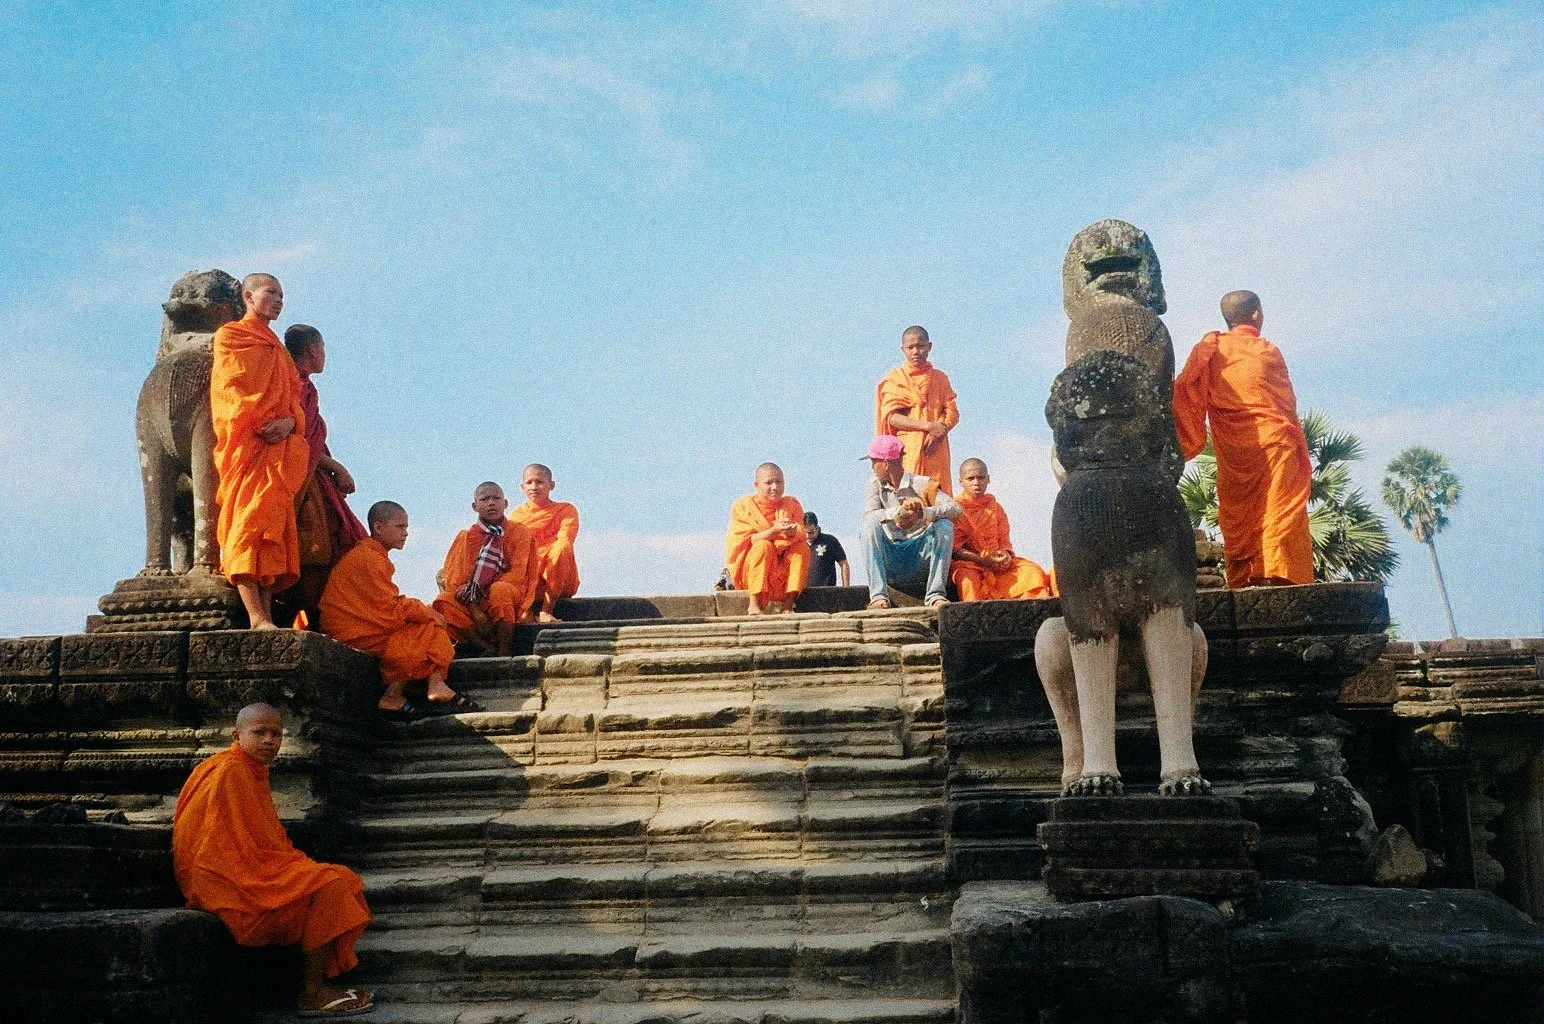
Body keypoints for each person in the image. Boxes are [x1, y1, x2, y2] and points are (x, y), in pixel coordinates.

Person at [172, 703, 373, 1018]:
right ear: (236, 736)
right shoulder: (230, 771)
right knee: (331, 885)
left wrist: (288, 866)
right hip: (224, 879)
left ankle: (319, 984)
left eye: (276, 734)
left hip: (244, 868)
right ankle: (312, 992)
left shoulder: (249, 769)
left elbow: (260, 837)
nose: (269, 740)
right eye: (260, 732)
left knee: (340, 878)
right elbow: (219, 845)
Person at [1172, 290, 1313, 588]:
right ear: (1256, 314)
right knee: (1277, 514)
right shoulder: (1268, 351)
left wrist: (1180, 441)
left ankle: (1252, 577)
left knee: (1246, 519)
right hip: (1275, 446)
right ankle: (1276, 574)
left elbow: (1186, 393)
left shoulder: (1211, 351)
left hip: (1235, 455)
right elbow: (1285, 405)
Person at [210, 273, 309, 629]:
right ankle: (254, 616)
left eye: (282, 295)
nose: (279, 300)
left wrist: (290, 423)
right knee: (248, 525)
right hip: (249, 446)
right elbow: (231, 393)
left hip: (278, 448)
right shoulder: (232, 336)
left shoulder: (280, 350)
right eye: (272, 293)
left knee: (272, 531)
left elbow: (293, 398)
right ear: (248, 297)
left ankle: (265, 614)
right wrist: (267, 422)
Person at [320, 501, 474, 720]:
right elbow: (391, 607)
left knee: (428, 627)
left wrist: (424, 612)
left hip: (363, 626)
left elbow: (388, 605)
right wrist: (426, 612)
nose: (406, 533)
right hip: (353, 632)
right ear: (378, 527)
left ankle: (427, 686)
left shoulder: (373, 556)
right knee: (430, 628)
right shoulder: (368, 558)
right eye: (400, 527)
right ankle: (410, 691)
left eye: (407, 527)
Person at [277, 324, 367, 628]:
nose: (324, 355)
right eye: (323, 349)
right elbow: (299, 438)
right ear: (313, 350)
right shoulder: (293, 383)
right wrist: (336, 467)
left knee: (322, 542)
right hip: (297, 475)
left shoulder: (306, 387)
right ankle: (311, 618)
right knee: (316, 544)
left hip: (310, 470)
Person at [433, 482, 537, 653]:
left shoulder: (519, 532)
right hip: (473, 600)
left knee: (500, 590)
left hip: (507, 593)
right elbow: (455, 581)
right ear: (474, 506)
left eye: (496, 498)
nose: (491, 503)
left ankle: (504, 651)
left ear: (505, 503)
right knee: (443, 601)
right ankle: (486, 648)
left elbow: (518, 573)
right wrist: (475, 611)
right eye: (484, 499)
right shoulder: (466, 538)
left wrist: (484, 587)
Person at [860, 435, 961, 609]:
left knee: (945, 526)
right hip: (892, 557)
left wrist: (923, 513)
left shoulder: (922, 484)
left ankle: (935, 594)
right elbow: (870, 516)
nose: (872, 467)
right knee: (869, 526)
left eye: (874, 462)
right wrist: (898, 512)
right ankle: (878, 596)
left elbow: (955, 509)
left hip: (919, 556)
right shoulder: (875, 486)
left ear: (886, 463)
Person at [949, 458, 1052, 601]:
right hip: (971, 563)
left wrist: (1006, 556)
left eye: (981, 478)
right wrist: (982, 560)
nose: (976, 483)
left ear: (988, 479)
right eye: (970, 479)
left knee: (1032, 572)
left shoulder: (996, 508)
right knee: (967, 579)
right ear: (961, 482)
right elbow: (955, 549)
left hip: (997, 563)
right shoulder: (954, 509)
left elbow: (1004, 542)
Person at [875, 325, 960, 494]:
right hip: (907, 451)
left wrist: (939, 430)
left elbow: (952, 412)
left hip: (936, 449)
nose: (916, 352)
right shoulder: (895, 379)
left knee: (938, 498)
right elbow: (891, 418)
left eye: (920, 346)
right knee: (908, 495)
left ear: (929, 347)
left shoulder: (940, 378)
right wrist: (928, 426)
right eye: (910, 347)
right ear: (903, 350)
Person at [725, 463, 811, 615]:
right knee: (763, 546)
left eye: (779, 482)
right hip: (754, 570)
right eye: (769, 483)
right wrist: (774, 531)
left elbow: (801, 531)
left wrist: (793, 531)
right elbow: (745, 541)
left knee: (802, 548)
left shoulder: (791, 504)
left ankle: (789, 604)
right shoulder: (744, 506)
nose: (775, 487)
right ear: (756, 485)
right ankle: (754, 604)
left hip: (782, 567)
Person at [509, 464, 580, 623]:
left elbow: (566, 538)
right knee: (513, 554)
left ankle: (546, 610)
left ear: (551, 485)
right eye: (529, 483)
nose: (534, 487)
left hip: (559, 578)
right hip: (528, 581)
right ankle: (525, 610)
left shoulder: (565, 510)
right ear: (522, 487)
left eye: (539, 482)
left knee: (562, 548)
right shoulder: (516, 516)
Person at [803, 512, 850, 588]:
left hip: (827, 592)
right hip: (804, 592)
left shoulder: (830, 541)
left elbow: (843, 563)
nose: (808, 536)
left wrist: (846, 588)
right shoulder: (798, 544)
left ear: (817, 527)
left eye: (811, 532)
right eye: (804, 532)